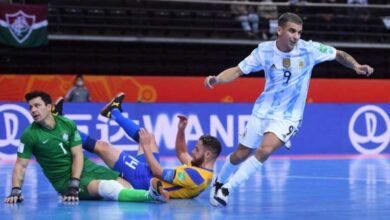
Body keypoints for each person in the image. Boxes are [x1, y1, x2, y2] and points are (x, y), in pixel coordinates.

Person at [204, 12, 374, 207]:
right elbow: (237, 70)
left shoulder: (309, 49)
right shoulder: (264, 51)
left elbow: (338, 54)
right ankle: (218, 182)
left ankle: (227, 189)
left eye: (299, 32)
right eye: (292, 31)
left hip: (289, 116)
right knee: (240, 154)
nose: (296, 36)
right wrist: (216, 79)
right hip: (262, 110)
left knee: (264, 150)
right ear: (279, 30)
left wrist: (356, 66)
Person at [4, 91, 168, 204]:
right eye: (30, 107)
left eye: (37, 106)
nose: (32, 110)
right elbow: (20, 165)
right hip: (65, 180)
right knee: (108, 176)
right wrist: (16, 190)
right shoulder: (30, 134)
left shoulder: (67, 124)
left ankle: (113, 112)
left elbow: (78, 155)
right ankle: (150, 196)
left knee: (110, 155)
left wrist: (74, 184)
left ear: (48, 107)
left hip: (95, 170)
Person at [53, 92, 222, 199]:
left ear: (207, 155)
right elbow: (181, 151)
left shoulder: (195, 176)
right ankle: (113, 111)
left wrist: (147, 148)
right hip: (149, 174)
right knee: (149, 137)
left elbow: (157, 172)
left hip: (143, 180)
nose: (193, 151)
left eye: (197, 149)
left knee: (103, 147)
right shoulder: (201, 169)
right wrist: (181, 130)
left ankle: (59, 124)